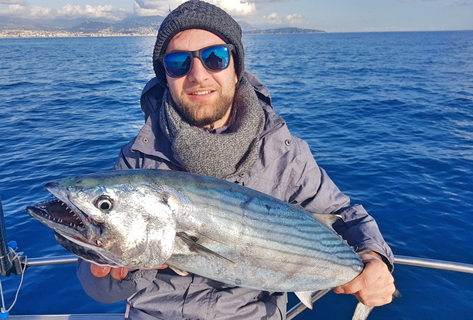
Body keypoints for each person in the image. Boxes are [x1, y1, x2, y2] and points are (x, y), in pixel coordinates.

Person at [76, 0, 396, 319]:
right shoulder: (138, 158)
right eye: (178, 63)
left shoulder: (283, 152)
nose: (197, 75)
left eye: (215, 58)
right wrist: (104, 268)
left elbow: (344, 215)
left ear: (235, 65)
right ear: (165, 76)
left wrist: (373, 257)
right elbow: (101, 291)